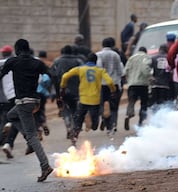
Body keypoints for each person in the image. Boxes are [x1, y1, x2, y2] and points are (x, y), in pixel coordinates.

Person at [0, 39, 53, 182]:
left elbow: (1, 74)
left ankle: (45, 166)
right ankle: (29, 138)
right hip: (35, 101)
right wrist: (58, 94)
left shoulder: (12, 62)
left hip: (24, 102)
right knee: (11, 116)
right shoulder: (37, 63)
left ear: (17, 50)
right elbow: (51, 74)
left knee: (32, 136)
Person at [60, 53, 115, 145]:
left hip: (83, 99)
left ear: (86, 60)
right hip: (95, 100)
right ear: (96, 61)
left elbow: (65, 76)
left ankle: (74, 136)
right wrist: (113, 90)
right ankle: (91, 120)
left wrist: (63, 87)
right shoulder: (100, 70)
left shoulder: (80, 69)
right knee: (94, 126)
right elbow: (109, 81)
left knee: (78, 119)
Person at [50, 45, 83, 140]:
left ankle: (68, 125)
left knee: (65, 109)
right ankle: (74, 127)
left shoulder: (57, 61)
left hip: (62, 90)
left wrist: (56, 93)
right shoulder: (78, 61)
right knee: (75, 109)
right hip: (76, 90)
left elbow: (53, 77)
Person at [96, 37, 124, 137]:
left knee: (104, 105)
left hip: (102, 84)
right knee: (114, 106)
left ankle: (107, 125)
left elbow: (98, 69)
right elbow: (120, 71)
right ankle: (113, 125)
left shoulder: (98, 55)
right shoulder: (116, 55)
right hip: (114, 83)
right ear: (112, 45)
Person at [124, 46, 152, 129]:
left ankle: (129, 114)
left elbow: (125, 71)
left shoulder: (131, 58)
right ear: (145, 51)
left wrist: (129, 79)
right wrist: (150, 77)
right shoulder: (146, 57)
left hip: (132, 84)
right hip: (143, 84)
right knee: (143, 103)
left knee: (131, 101)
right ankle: (140, 121)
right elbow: (145, 69)